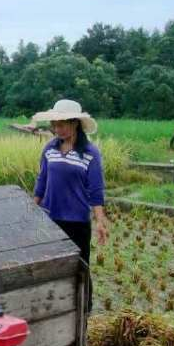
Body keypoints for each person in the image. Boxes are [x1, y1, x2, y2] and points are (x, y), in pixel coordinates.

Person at [32, 99, 109, 311]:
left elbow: (96, 191)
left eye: (62, 124)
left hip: (76, 222)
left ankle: (84, 309)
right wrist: (32, 208)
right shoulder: (50, 149)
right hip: (50, 219)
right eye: (54, 125)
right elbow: (42, 181)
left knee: (80, 267)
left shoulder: (90, 153)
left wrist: (100, 221)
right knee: (52, 266)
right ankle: (57, 308)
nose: (57, 129)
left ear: (75, 123)